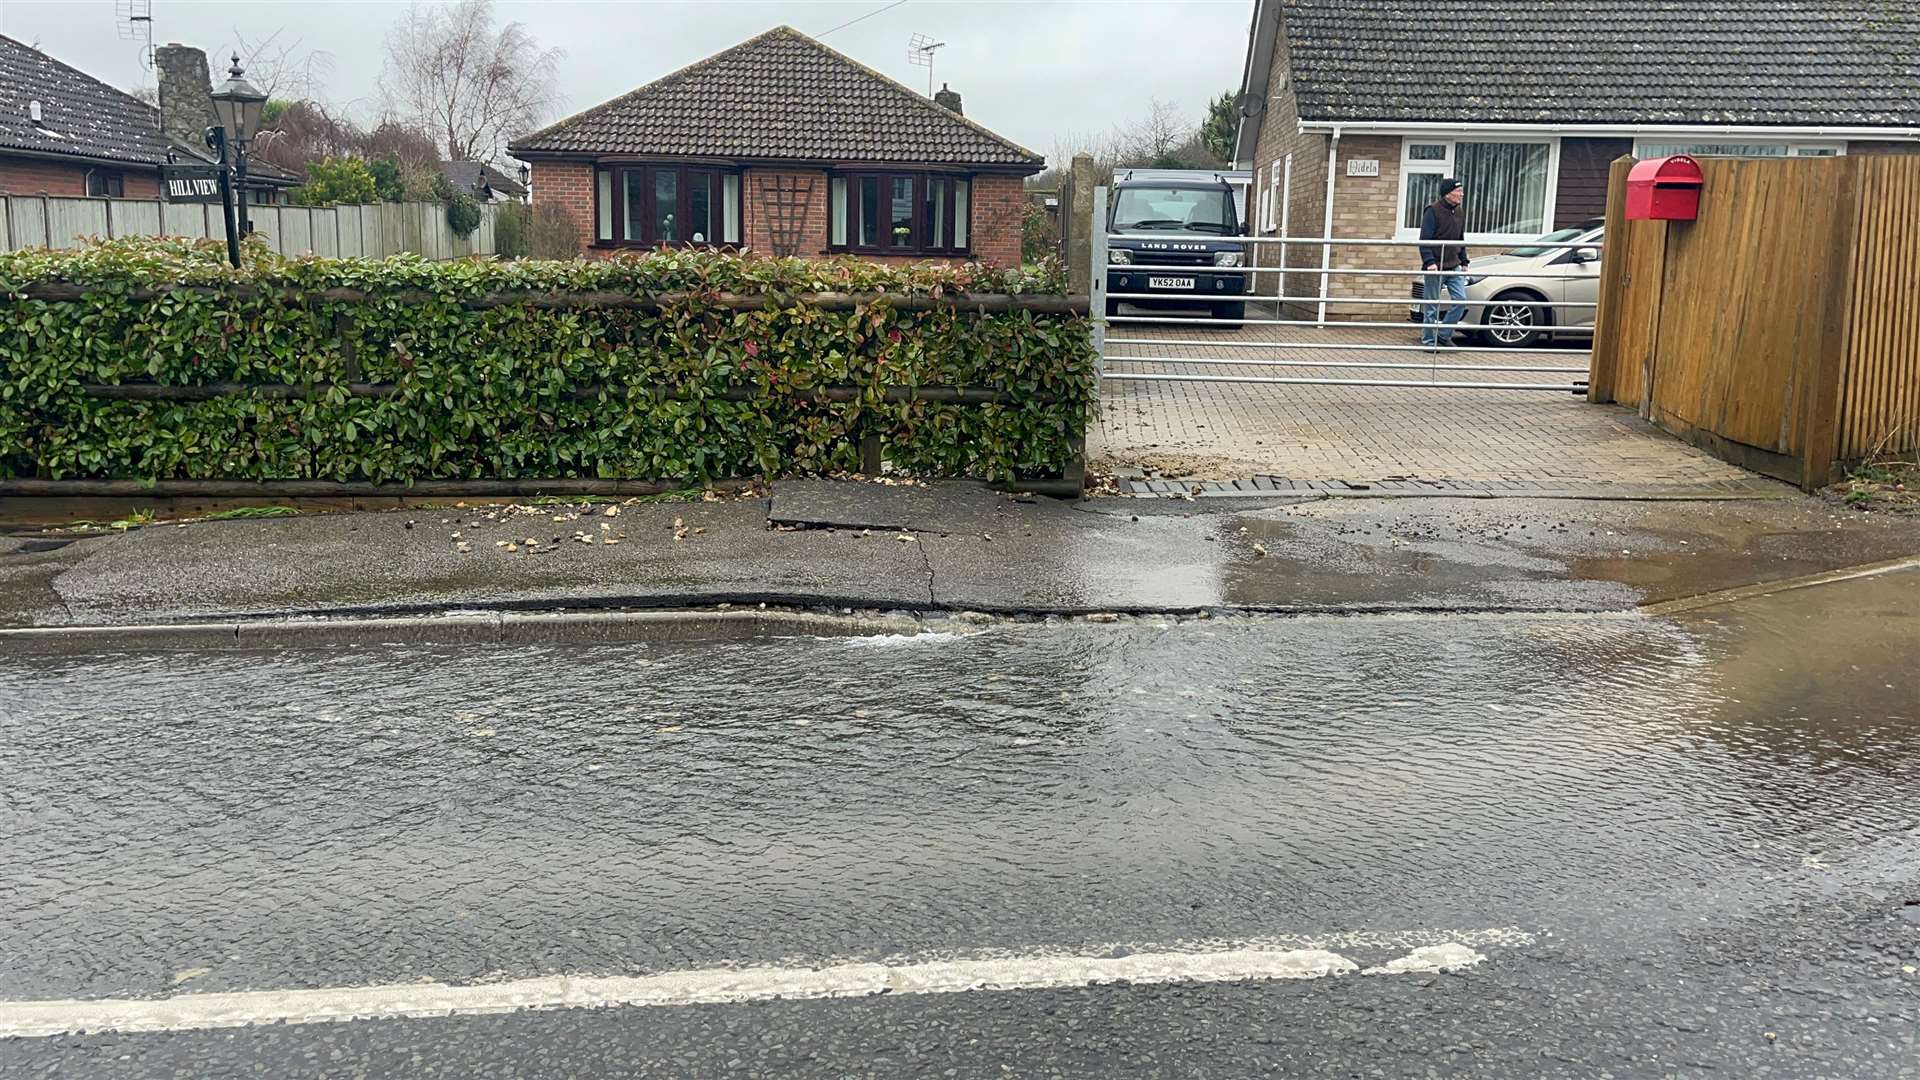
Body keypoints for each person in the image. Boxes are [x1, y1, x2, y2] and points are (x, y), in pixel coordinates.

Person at [1418, 178, 1470, 349]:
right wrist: (1429, 262)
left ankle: (1443, 335)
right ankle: (1428, 341)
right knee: (1431, 306)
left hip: (1453, 264)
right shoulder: (1432, 211)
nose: (1462, 194)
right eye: (1459, 191)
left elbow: (1460, 238)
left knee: (1461, 301)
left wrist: (1464, 259)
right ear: (1448, 193)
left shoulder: (1460, 212)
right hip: (1436, 266)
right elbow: (1425, 239)